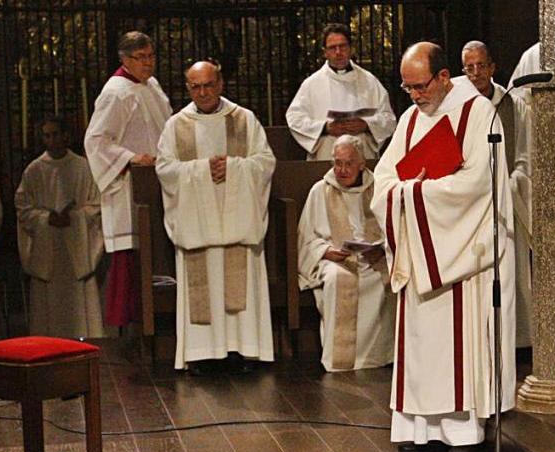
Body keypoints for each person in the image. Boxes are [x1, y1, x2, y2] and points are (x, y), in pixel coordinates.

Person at [371, 42, 516, 452]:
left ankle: (461, 431)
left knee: (459, 343)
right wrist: (406, 193)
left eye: (420, 86)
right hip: (423, 249)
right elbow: (384, 179)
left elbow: (477, 185)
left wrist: (415, 192)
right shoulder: (411, 119)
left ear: (443, 77)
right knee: (420, 343)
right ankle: (417, 428)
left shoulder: (478, 113)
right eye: (406, 87)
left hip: (461, 256)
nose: (414, 95)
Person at [155, 61, 276, 374]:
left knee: (238, 283)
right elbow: (165, 169)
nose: (203, 92)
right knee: (203, 283)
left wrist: (235, 167)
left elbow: (265, 162)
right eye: (195, 86)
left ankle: (242, 351)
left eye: (208, 84)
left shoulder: (244, 120)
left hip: (238, 227)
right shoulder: (176, 125)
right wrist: (202, 170)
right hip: (199, 229)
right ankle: (202, 353)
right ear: (188, 89)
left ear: (220, 84)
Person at [84, 31, 172, 329]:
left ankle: (157, 319)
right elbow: (96, 141)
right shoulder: (115, 92)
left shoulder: (151, 85)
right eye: (141, 57)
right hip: (129, 187)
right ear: (124, 59)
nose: (148, 63)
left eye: (151, 56)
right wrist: (131, 158)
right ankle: (130, 322)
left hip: (157, 180)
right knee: (131, 259)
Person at [297, 135, 396, 372]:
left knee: (392, 277)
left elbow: (394, 228)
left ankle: (383, 355)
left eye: (348, 163)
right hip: (337, 260)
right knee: (337, 279)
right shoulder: (320, 190)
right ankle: (342, 360)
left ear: (362, 164)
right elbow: (306, 239)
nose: (342, 170)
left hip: (372, 258)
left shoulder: (379, 188)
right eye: (337, 163)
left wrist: (382, 249)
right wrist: (326, 251)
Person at [461, 40, 534, 348]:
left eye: (481, 66)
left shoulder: (513, 104)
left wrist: (510, 182)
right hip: (470, 202)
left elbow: (525, 156)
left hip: (507, 199)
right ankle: (478, 339)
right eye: (469, 67)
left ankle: (514, 340)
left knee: (510, 269)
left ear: (492, 67)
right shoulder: (457, 104)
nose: (476, 73)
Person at [15, 117, 106, 338]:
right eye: (47, 135)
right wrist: (46, 219)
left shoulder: (83, 167)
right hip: (48, 250)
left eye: (56, 134)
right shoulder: (34, 170)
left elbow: (97, 204)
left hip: (76, 249)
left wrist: (74, 218)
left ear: (66, 136)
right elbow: (23, 208)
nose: (52, 140)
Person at [286, 23, 398, 160]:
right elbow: (294, 118)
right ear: (325, 52)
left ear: (351, 48)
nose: (338, 52)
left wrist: (367, 125)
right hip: (327, 156)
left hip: (362, 156)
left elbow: (389, 118)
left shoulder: (369, 81)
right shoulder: (311, 84)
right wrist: (324, 128)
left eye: (343, 46)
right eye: (332, 48)